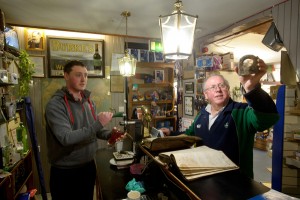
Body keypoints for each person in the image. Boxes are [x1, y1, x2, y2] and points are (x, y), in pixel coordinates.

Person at [161, 58, 279, 178]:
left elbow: (268, 119)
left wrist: (251, 89)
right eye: (212, 87)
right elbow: (189, 135)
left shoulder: (241, 112)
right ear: (206, 95)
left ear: (227, 89)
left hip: (236, 184)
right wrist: (170, 133)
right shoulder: (202, 114)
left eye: (221, 85)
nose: (218, 89)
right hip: (204, 178)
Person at [45, 60, 113, 200]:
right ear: (66, 76)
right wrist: (98, 123)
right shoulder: (55, 105)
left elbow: (95, 130)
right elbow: (66, 138)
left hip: (88, 166)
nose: (83, 79)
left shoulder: (89, 102)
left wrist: (111, 134)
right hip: (65, 172)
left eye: (86, 75)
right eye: (78, 75)